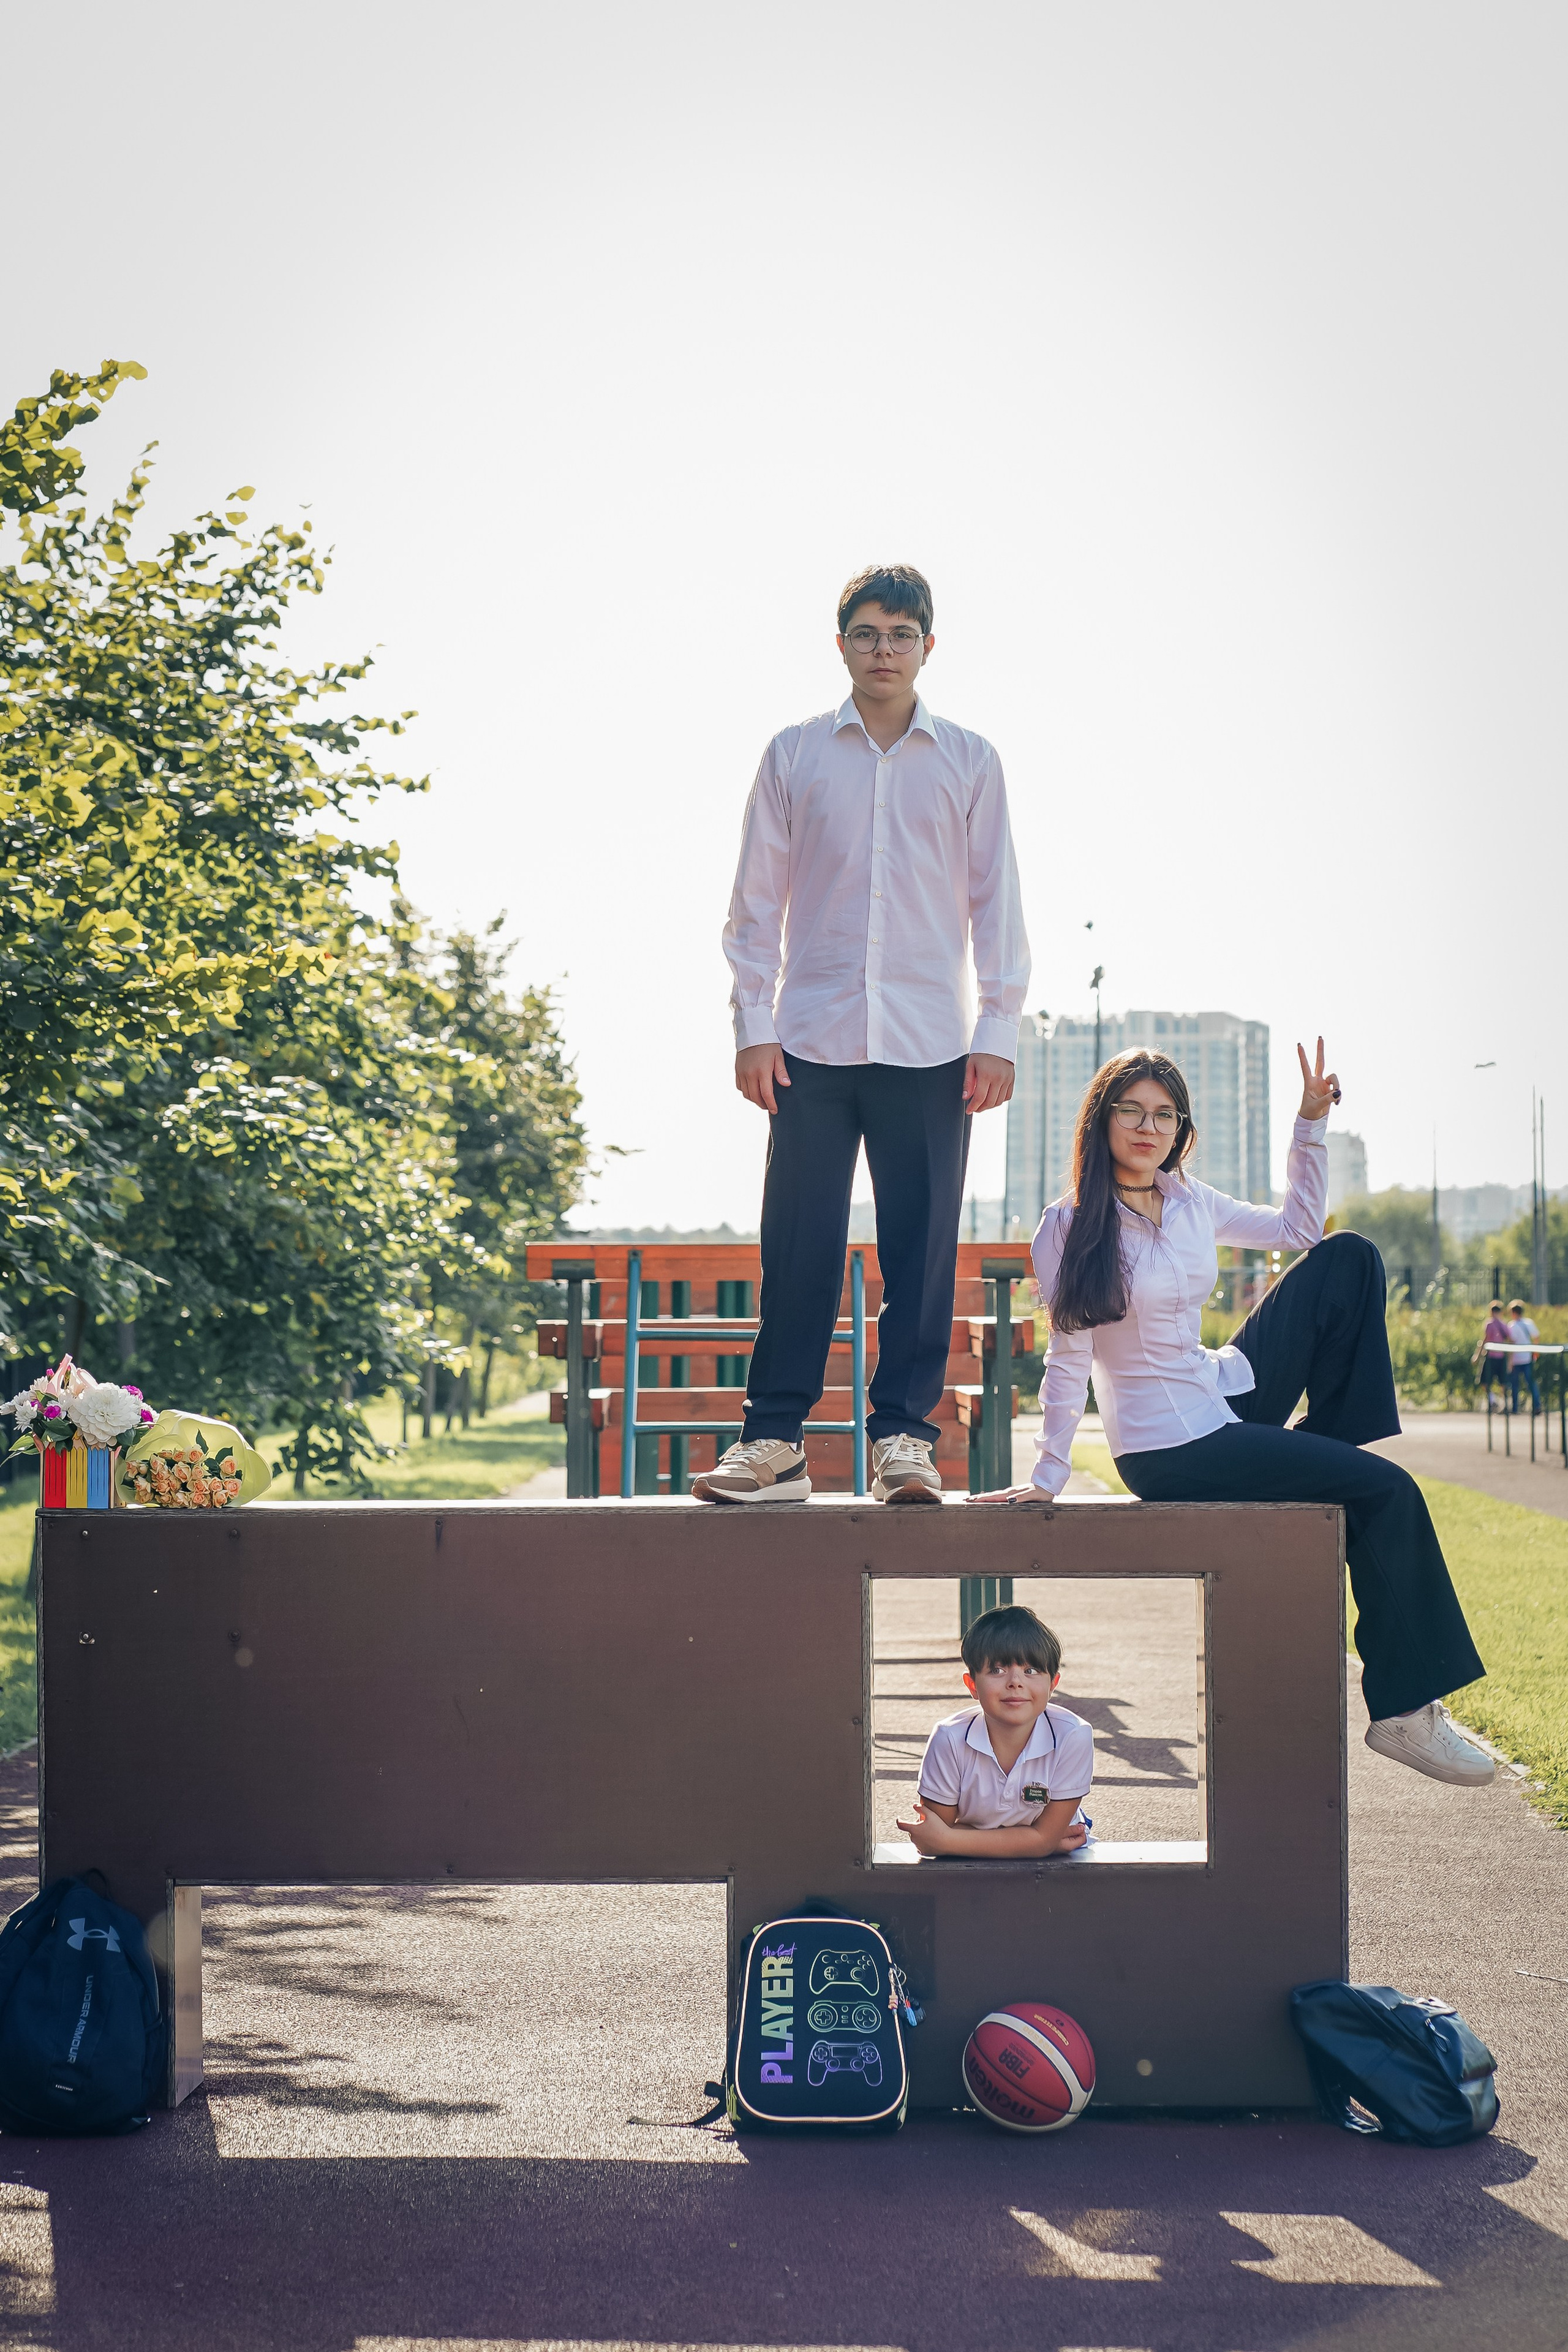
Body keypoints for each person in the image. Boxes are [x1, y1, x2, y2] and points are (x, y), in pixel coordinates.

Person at [970, 1040, 1495, 1789]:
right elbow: (1066, 1358)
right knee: (1388, 1491)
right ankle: (1405, 1712)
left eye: (1164, 1115)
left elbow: (1298, 1233)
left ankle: (1322, 1454)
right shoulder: (1070, 1225)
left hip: (1222, 1393)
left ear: (1180, 1128)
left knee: (1346, 1257)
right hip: (1168, 1446)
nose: (1148, 1128)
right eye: (1132, 1111)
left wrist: (1308, 1126)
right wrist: (1048, 1474)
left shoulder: (1189, 1199)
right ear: (1103, 1120)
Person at [694, 562, 1028, 1506]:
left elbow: (996, 900)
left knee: (920, 1254)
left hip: (932, 1044)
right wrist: (751, 1025)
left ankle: (904, 1442)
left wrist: (997, 1025)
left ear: (930, 646)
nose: (885, 650)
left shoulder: (970, 760)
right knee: (796, 1244)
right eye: (868, 633)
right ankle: (774, 1445)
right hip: (809, 1042)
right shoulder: (794, 755)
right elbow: (754, 902)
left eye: (903, 634)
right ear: (839, 642)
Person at [897, 1604, 1093, 1858]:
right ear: (972, 1685)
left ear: (1053, 1684)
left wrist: (1041, 1842)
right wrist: (1036, 1842)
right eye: (997, 1670)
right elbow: (934, 1836)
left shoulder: (1073, 1735)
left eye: (1031, 1670)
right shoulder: (949, 1738)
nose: (1015, 1682)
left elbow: (943, 1839)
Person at [1506, 1298, 1542, 1415]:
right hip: (1527, 1358)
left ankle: (1515, 1408)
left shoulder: (1511, 1326)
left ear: (1513, 1312)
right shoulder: (1529, 1323)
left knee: (1515, 1385)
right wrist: (1535, 1352)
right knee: (1531, 1383)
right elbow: (1536, 1337)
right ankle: (1537, 1406)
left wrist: (1510, 1362)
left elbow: (1511, 1343)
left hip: (1517, 1360)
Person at [1472, 1302, 1510, 1403]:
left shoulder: (1490, 1324)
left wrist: (1477, 1355)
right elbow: (1510, 1339)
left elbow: (1485, 1340)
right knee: (1503, 1383)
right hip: (1501, 1356)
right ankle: (1503, 1403)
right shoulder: (1504, 1324)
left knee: (1484, 1382)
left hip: (1491, 1357)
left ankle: (1493, 1401)